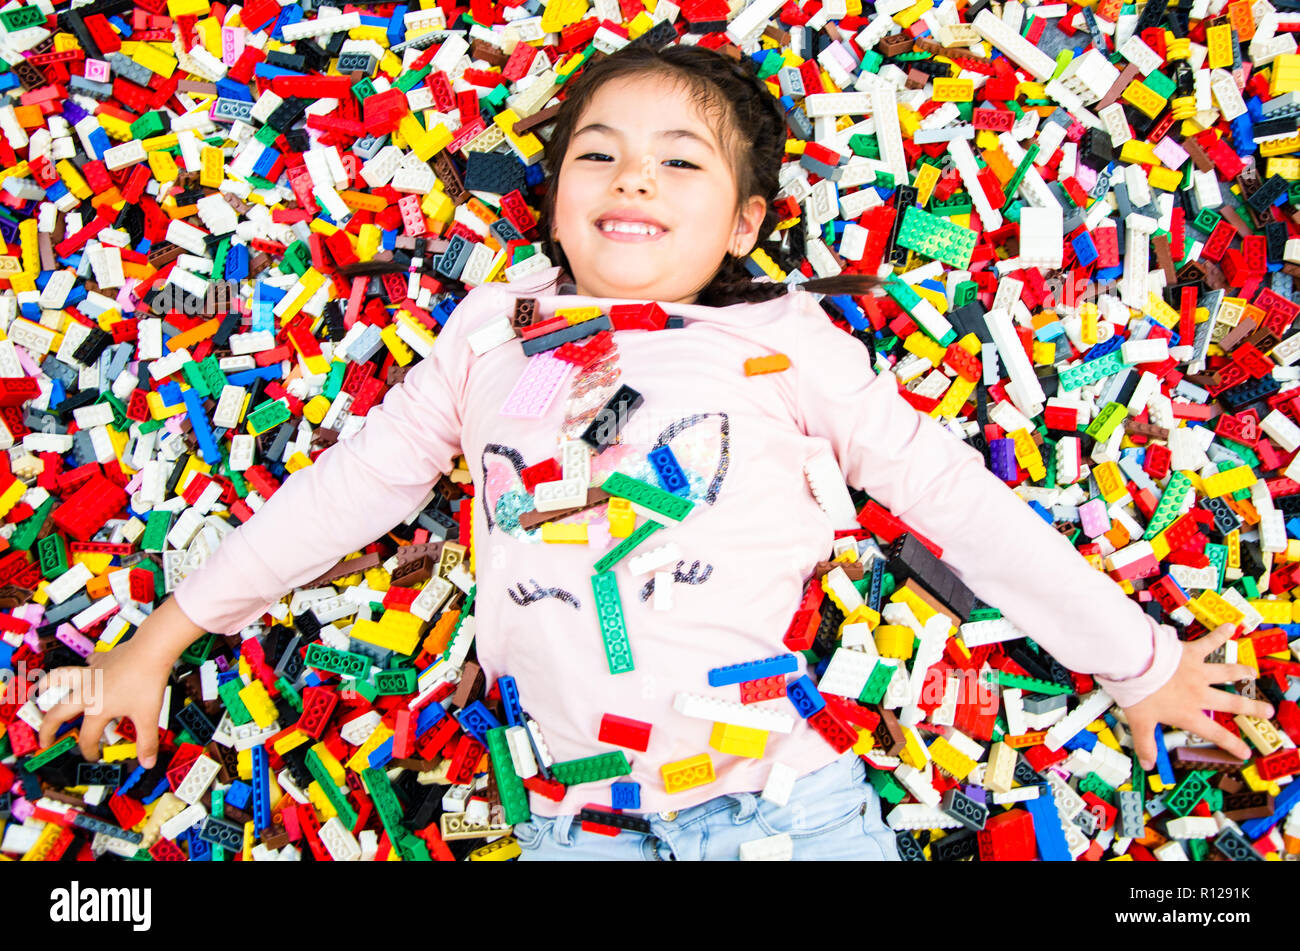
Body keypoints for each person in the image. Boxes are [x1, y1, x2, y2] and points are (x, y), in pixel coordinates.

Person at [37, 44, 1271, 861]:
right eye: (598, 152)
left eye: (679, 161)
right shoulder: (492, 332)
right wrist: (160, 639)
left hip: (786, 805)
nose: (633, 175)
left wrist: (1139, 664)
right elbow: (350, 490)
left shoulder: (789, 341)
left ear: (742, 221)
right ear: (555, 197)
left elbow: (954, 499)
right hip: (580, 822)